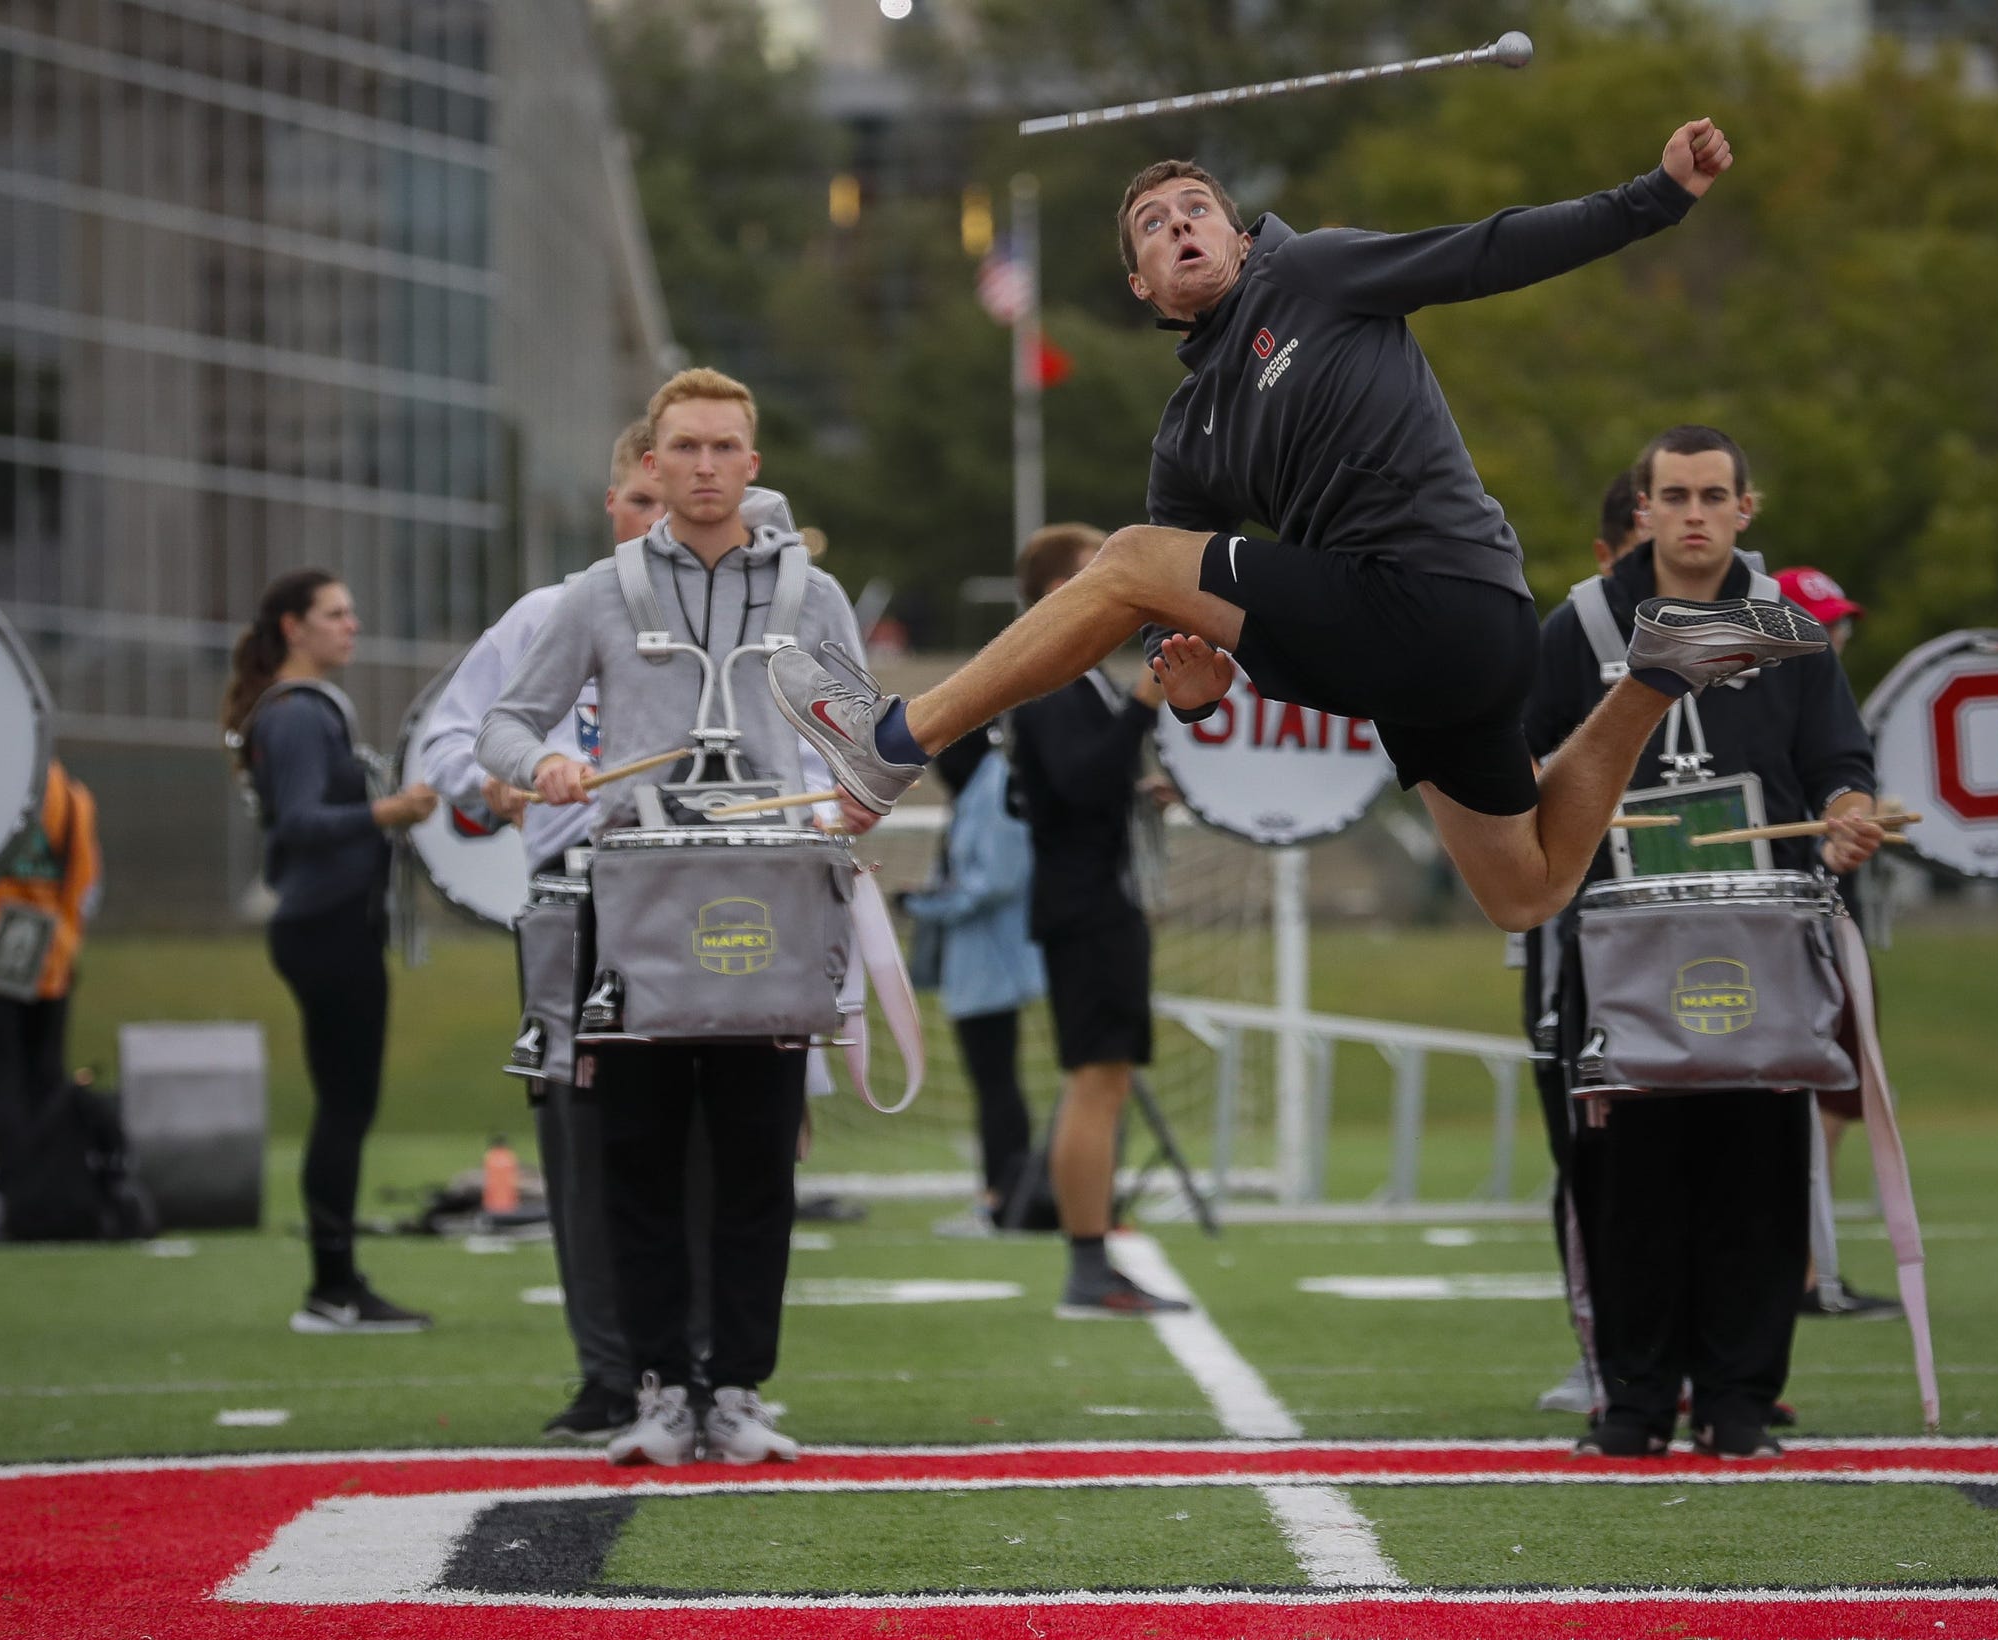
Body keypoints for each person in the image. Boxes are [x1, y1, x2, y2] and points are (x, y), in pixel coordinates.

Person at [772, 123, 1829, 937]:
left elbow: (1489, 252)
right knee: (1528, 888)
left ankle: (893, 742)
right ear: (1144, 285)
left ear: (1237, 236)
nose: (1180, 223)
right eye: (1154, 223)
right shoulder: (1186, 438)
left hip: (1443, 598)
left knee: (1130, 553)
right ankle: (1656, 670)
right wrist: (1184, 685)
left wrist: (1658, 196)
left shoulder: (1314, 274)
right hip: (1413, 665)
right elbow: (1161, 625)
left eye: (1196, 208)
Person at [477, 368, 876, 1467]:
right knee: (637, 1154)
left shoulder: (812, 594)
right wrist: (550, 763)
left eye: (724, 449)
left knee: (758, 1153)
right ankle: (658, 1388)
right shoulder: (597, 594)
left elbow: (860, 732)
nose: (703, 468)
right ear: (650, 464)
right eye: (684, 449)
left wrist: (861, 783)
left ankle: (738, 1385)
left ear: (753, 465)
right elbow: (504, 726)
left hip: (767, 897)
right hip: (635, 902)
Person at [1524, 426, 1882, 1460]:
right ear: (1640, 509)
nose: (1691, 513)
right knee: (1626, 1180)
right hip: (1612, 950)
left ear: (1743, 508)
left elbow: (1834, 758)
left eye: (1710, 495)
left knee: (1757, 1172)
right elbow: (1518, 758)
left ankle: (1737, 1398)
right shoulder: (1582, 623)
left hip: (1759, 940)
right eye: (1671, 494)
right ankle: (1632, 1399)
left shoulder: (1785, 625)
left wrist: (1848, 810)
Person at [418, 418, 672, 1443]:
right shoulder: (545, 614)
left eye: (684, 500)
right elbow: (446, 731)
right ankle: (609, 1371)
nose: (662, 520)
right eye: (643, 500)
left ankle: (703, 1366)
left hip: (697, 898)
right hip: (574, 897)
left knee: (708, 1128)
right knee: (580, 1140)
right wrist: (490, 779)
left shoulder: (737, 620)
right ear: (613, 507)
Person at [224, 570, 440, 1334]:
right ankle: (333, 1287)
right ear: (293, 627)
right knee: (345, 1107)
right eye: (335, 614)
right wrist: (394, 808)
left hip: (334, 922)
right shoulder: (296, 716)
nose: (352, 624)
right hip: (326, 924)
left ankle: (336, 1281)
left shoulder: (301, 710)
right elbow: (301, 824)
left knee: (347, 1104)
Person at [1000, 524, 1189, 1318]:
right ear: (1057, 591)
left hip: (1096, 898)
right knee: (1095, 1081)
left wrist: (1141, 786)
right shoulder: (1047, 673)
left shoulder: (1078, 678)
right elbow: (1078, 781)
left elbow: (1090, 780)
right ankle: (1087, 1265)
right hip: (1084, 904)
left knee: (1106, 1079)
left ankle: (1094, 1258)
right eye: (1095, 574)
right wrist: (1148, 700)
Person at [1524, 472, 1653, 1415]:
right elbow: (1514, 775)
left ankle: (1726, 1363)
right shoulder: (1573, 634)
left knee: (1728, 1151)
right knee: (1595, 1154)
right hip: (1592, 945)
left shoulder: (1761, 621)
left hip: (1717, 940)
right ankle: (1608, 1351)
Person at [1772, 565, 1902, 1319]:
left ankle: (1809, 1264)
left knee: (1837, 1101)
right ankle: (1804, 1268)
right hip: (1801, 926)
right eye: (1821, 624)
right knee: (1810, 1102)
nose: (1837, 638)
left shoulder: (1827, 707)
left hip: (1834, 921)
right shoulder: (1769, 706)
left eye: (1839, 624)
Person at [0, 757, 104, 1238]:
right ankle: (44, 1187)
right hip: (52, 952)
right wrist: (67, 943)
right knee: (44, 1079)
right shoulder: (74, 797)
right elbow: (85, 884)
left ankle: (14, 1198)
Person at [903, 726, 1047, 1231]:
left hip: (995, 964)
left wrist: (925, 903)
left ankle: (1004, 1202)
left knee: (997, 1085)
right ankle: (1006, 1198)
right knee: (994, 1083)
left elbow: (995, 880)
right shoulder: (981, 785)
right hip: (976, 965)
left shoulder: (994, 786)